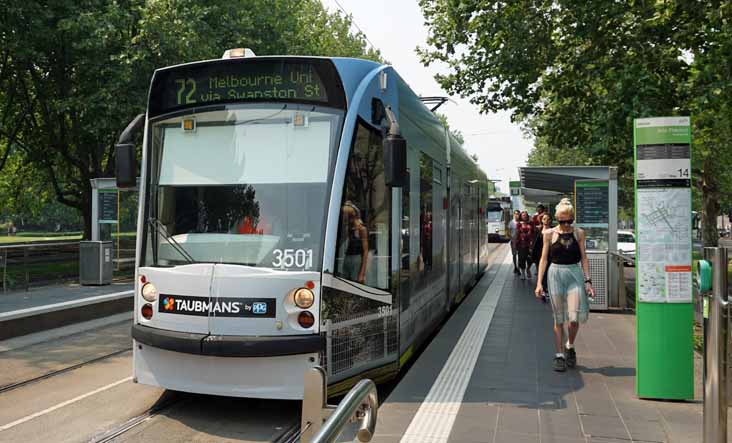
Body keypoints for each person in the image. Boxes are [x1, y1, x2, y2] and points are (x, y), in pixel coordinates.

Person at [535, 198, 596, 372]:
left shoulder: (579, 233)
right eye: (563, 221)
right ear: (557, 218)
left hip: (574, 274)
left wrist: (588, 280)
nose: (566, 224)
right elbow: (544, 258)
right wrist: (539, 283)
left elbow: (584, 257)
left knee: (574, 317)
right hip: (555, 274)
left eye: (570, 220)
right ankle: (560, 354)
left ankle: (570, 345)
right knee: (559, 317)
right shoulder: (549, 234)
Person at [341, 201, 369, 284]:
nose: (348, 220)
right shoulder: (348, 229)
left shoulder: (361, 229)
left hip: (356, 259)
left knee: (354, 283)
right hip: (347, 257)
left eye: (350, 217)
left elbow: (366, 250)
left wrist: (362, 273)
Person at [532, 213, 553, 302]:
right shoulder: (538, 230)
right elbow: (534, 242)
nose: (546, 221)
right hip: (539, 255)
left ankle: (547, 289)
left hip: (550, 255)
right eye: (544, 219)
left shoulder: (553, 230)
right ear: (542, 220)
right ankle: (543, 289)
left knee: (548, 272)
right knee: (542, 272)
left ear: (551, 220)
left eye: (548, 219)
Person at [514, 211, 534, 280]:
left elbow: (534, 232)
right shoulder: (519, 224)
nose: (524, 216)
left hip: (530, 244)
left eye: (525, 215)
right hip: (521, 244)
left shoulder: (531, 223)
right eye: (523, 215)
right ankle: (523, 273)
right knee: (522, 259)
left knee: (531, 259)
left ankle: (528, 269)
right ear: (521, 217)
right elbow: (517, 234)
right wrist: (515, 244)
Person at [508, 210, 521, 274]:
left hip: (521, 241)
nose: (516, 215)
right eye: (515, 214)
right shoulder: (511, 222)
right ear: (513, 214)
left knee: (520, 255)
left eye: (518, 214)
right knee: (514, 255)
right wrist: (512, 239)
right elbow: (508, 232)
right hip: (514, 241)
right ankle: (515, 267)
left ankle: (518, 268)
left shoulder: (521, 222)